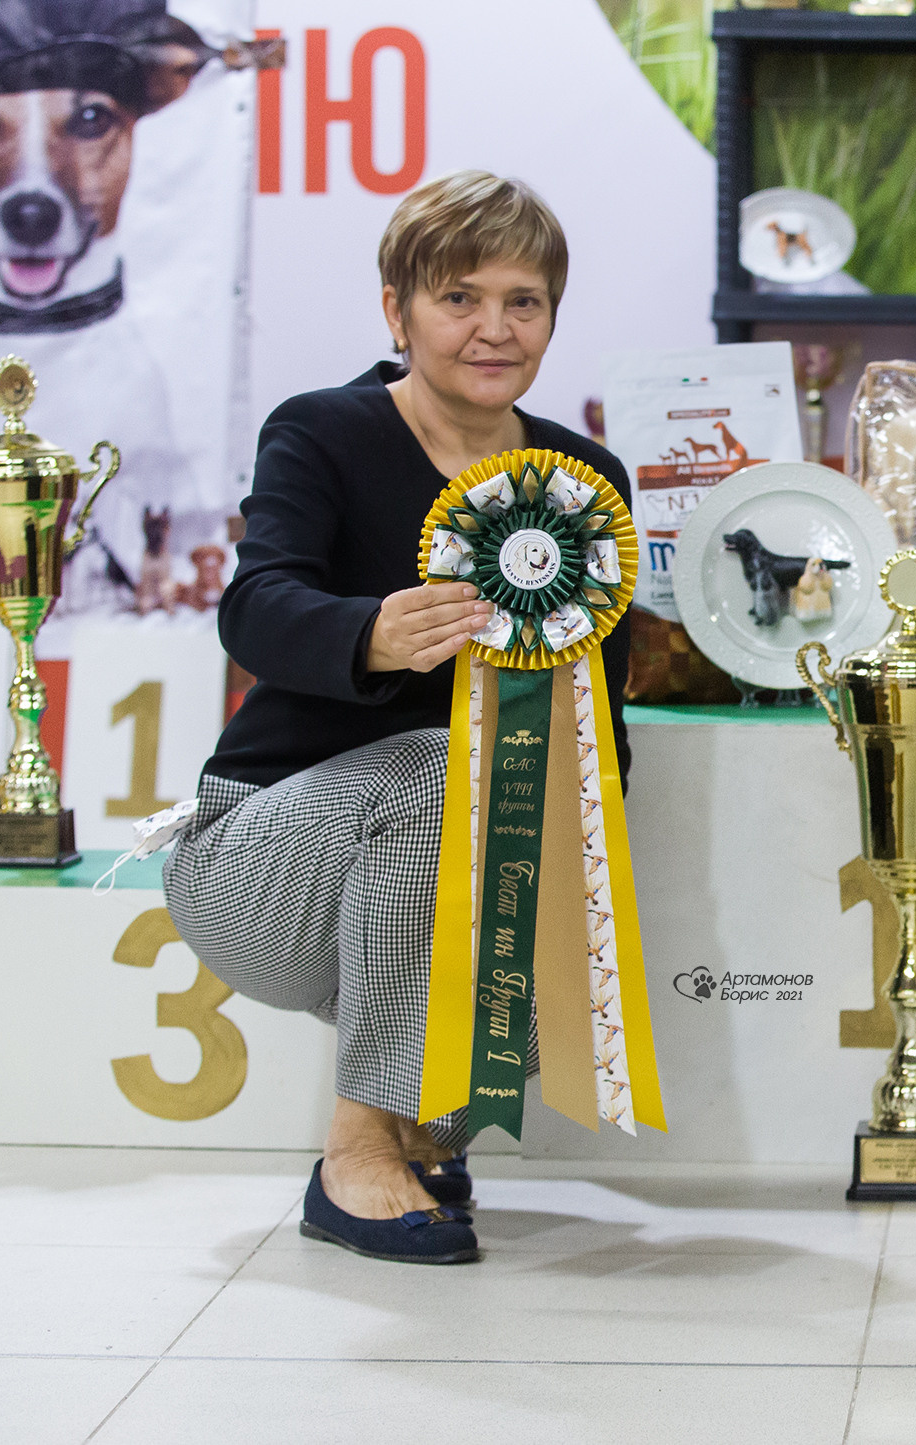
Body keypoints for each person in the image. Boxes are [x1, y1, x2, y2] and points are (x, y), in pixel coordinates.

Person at [163, 171, 633, 1263]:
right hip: (259, 852)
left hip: (452, 863)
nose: (493, 328)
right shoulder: (322, 432)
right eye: (458, 297)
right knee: (447, 763)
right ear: (397, 310)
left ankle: (431, 1113)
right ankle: (358, 1148)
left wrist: (573, 885)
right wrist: (367, 633)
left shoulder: (584, 477)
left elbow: (594, 721)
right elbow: (254, 605)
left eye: (523, 301)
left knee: (530, 811)